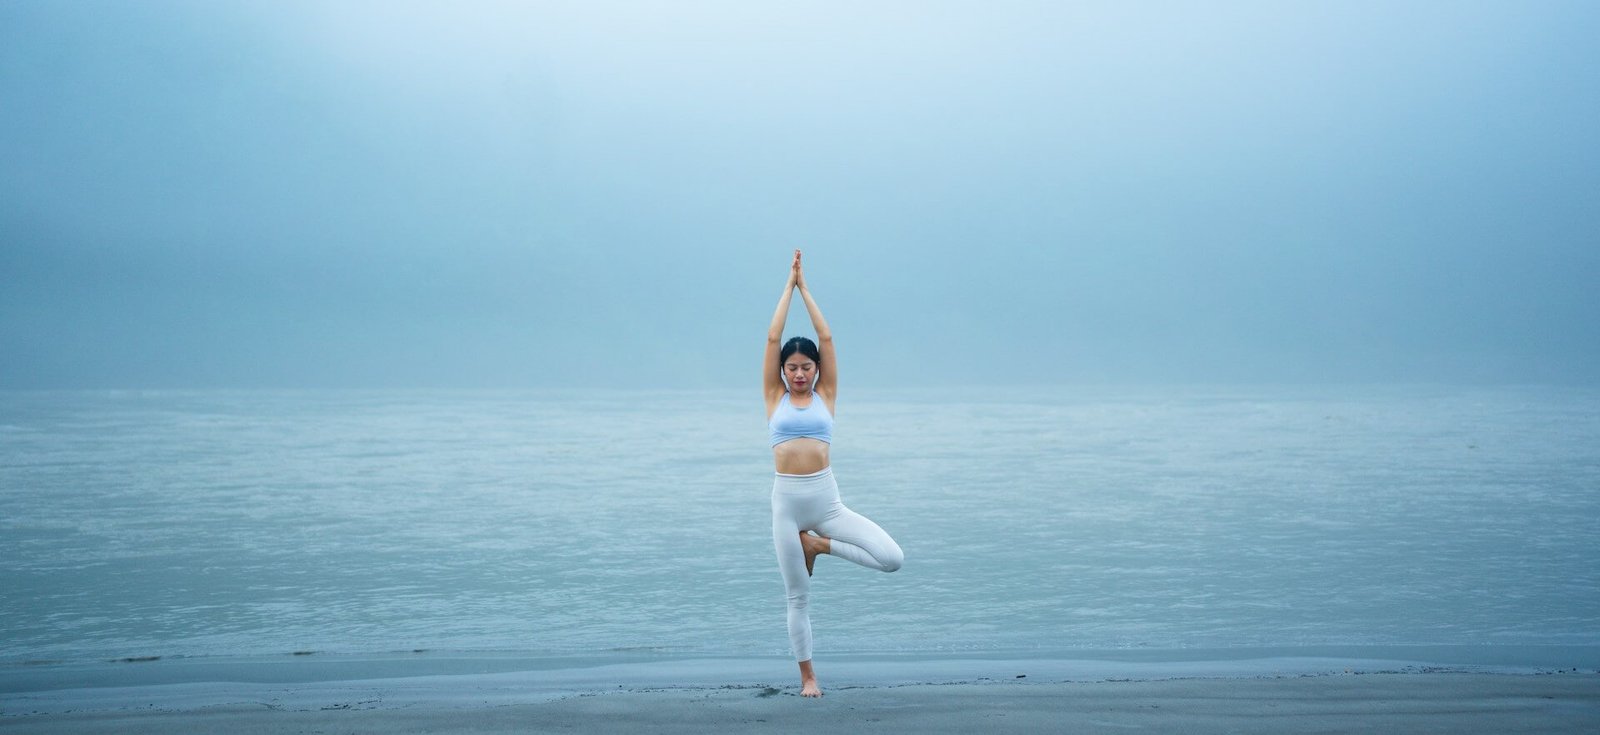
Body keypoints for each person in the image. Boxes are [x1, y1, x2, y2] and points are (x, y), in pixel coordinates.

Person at [764, 249, 904, 698]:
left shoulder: (827, 394)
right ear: (783, 372)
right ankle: (808, 677)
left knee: (892, 559)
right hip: (787, 504)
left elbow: (827, 336)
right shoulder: (774, 397)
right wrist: (787, 287)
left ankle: (820, 545)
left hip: (827, 501)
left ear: (816, 370)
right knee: (797, 596)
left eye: (806, 367)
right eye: (792, 368)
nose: (800, 373)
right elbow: (772, 339)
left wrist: (807, 289)